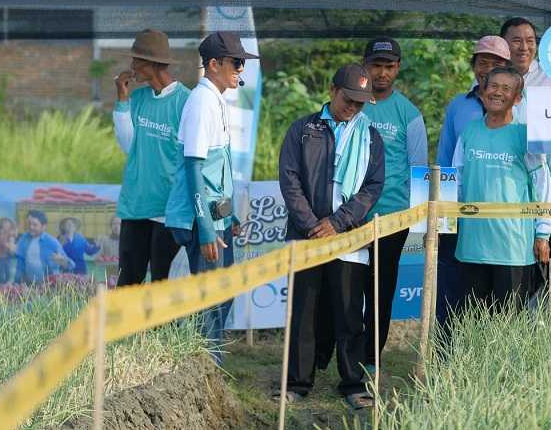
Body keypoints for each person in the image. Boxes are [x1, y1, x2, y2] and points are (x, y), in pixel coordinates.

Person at [278, 63, 384, 409]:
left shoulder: (370, 135)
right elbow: (290, 180)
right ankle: (296, 383)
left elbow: (372, 187)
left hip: (348, 237)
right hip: (307, 236)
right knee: (304, 312)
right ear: (331, 90)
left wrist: (337, 223)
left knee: (349, 313)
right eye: (348, 99)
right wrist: (312, 225)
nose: (353, 107)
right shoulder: (303, 129)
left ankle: (353, 384)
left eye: (360, 102)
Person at [165, 31, 256, 358]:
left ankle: (207, 361)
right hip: (198, 220)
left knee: (222, 293)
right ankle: (206, 367)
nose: (241, 69)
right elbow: (193, 169)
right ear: (214, 64)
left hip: (213, 218)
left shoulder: (214, 98)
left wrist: (227, 216)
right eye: (236, 62)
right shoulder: (202, 101)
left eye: (243, 63)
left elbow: (214, 174)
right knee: (209, 302)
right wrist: (205, 228)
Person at [453, 67, 551, 311]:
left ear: (517, 99)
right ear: (482, 93)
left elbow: (542, 186)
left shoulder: (526, 136)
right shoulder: (469, 132)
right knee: (470, 323)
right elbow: (456, 181)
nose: (497, 93)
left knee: (508, 325)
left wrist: (543, 233)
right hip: (471, 246)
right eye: (493, 87)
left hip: (513, 249)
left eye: (506, 89)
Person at [360, 38, 428, 370]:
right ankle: (343, 354)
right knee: (346, 290)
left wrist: (419, 225)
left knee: (380, 290)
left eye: (389, 66)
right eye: (376, 65)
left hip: (391, 218)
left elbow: (419, 168)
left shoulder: (409, 114)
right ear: (365, 66)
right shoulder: (352, 103)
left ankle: (370, 358)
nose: (382, 73)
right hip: (349, 217)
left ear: (398, 68)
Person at [435, 35, 511, 328]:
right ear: (473, 66)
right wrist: (443, 217)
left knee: (501, 300)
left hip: (506, 222)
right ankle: (448, 357)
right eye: (483, 62)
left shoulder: (523, 107)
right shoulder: (458, 106)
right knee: (455, 290)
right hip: (462, 217)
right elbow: (445, 161)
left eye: (496, 63)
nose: (488, 69)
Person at [113, 29, 190, 286]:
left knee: (161, 284)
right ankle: (126, 329)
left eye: (137, 60)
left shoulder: (186, 102)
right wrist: (122, 100)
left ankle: (161, 329)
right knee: (128, 282)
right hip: (135, 205)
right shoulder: (138, 98)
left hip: (169, 210)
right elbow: (128, 145)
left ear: (154, 65)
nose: (132, 66)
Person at [501, 17, 551, 296]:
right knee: (512, 266)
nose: (523, 47)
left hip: (546, 183)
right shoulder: (494, 82)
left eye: (530, 40)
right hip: (504, 187)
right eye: (516, 40)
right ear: (504, 44)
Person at [14, 210, 75, 284]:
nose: (31, 227)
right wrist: (16, 282)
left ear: (44, 226)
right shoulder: (23, 239)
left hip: (49, 285)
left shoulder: (52, 242)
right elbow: (20, 264)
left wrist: (64, 262)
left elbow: (71, 265)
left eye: (35, 225)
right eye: (29, 224)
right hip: (29, 285)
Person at [0, 216, 17, 284]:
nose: (7, 225)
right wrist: (9, 245)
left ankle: (8, 284)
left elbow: (13, 238)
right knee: (1, 271)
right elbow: (0, 241)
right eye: (5, 223)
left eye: (8, 223)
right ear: (1, 224)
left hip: (7, 256)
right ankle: (1, 285)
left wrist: (11, 245)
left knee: (8, 271)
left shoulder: (10, 233)